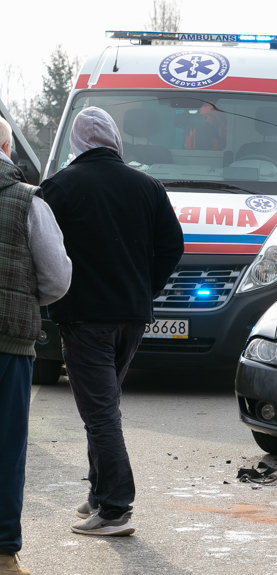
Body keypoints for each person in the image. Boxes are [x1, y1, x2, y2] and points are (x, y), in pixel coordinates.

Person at [41, 107, 184, 537]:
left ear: (77, 142)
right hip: (133, 318)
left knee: (100, 413)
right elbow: (173, 246)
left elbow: (44, 250)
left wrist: (54, 295)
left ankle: (116, 507)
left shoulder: (60, 187)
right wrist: (145, 289)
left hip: (85, 318)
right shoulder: (147, 186)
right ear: (114, 139)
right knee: (102, 407)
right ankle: (100, 493)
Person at [0, 118, 72, 574]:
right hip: (9, 342)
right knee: (7, 448)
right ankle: (4, 554)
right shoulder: (30, 201)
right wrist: (26, 296)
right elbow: (57, 278)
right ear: (7, 145)